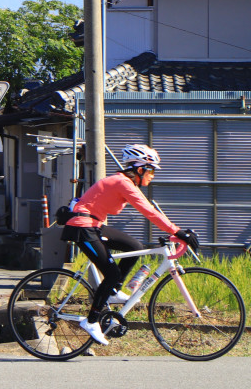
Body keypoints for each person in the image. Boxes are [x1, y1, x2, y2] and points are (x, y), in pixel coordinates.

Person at [61, 143, 198, 345]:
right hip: (82, 227)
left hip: (94, 225)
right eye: (151, 170)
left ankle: (113, 290)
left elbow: (147, 210)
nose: (153, 175)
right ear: (139, 169)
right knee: (112, 272)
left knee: (135, 247)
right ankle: (91, 321)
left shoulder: (125, 183)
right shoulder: (122, 183)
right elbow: (149, 211)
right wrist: (176, 231)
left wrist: (175, 230)